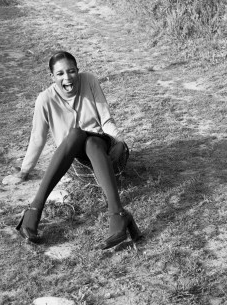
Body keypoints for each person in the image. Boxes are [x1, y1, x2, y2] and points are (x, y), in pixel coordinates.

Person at [16, 51, 142, 249]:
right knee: (75, 135)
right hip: (76, 165)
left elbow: (106, 119)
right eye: (60, 74)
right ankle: (35, 208)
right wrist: (25, 170)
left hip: (104, 155)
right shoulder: (45, 99)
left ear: (78, 71)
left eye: (72, 71)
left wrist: (119, 142)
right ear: (52, 77)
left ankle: (116, 214)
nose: (67, 78)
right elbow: (37, 139)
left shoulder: (89, 80)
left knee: (90, 141)